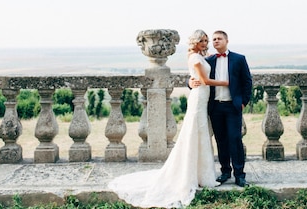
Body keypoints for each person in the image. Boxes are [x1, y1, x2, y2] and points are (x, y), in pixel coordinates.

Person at [108, 30, 229, 209]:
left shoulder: (200, 56)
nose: (205, 43)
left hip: (203, 99)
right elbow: (203, 80)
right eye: (201, 40)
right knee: (194, 132)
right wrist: (226, 83)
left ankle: (203, 175)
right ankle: (194, 176)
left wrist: (193, 77)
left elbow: (203, 67)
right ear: (194, 42)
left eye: (206, 40)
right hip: (198, 98)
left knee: (202, 133)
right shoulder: (195, 57)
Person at [191, 30, 253, 187]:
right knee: (221, 141)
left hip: (233, 106)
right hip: (215, 106)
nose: (215, 41)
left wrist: (243, 102)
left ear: (227, 40)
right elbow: (197, 75)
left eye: (219, 38)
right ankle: (225, 171)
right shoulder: (209, 59)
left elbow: (247, 82)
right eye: (213, 39)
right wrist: (190, 83)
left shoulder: (239, 59)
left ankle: (240, 175)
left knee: (235, 139)